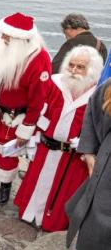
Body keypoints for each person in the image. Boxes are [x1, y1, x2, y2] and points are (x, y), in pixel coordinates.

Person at [14, 45, 103, 232]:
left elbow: (101, 124)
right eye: (71, 65)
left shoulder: (98, 93)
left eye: (80, 67)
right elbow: (41, 110)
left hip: (73, 158)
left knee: (64, 193)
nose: (73, 70)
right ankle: (32, 214)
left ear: (91, 70)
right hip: (46, 148)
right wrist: (33, 138)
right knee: (37, 183)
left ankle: (52, 223)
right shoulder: (55, 83)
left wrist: (89, 143)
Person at [0, 12, 52, 204]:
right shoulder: (8, 48)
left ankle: (5, 185)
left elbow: (38, 100)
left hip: (13, 117)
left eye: (6, 36)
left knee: (6, 153)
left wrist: (27, 128)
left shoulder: (38, 60)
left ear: (20, 39)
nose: (2, 38)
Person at [65, 80, 111, 250]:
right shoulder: (109, 87)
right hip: (105, 172)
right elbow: (94, 108)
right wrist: (90, 153)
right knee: (93, 224)